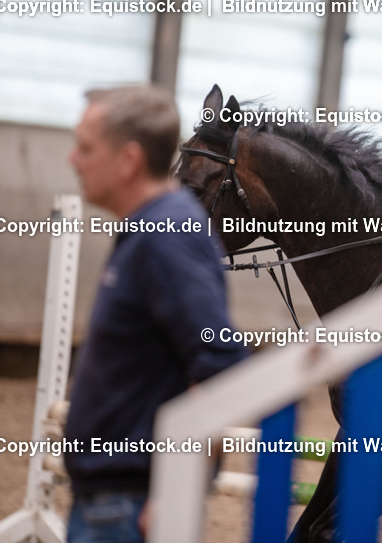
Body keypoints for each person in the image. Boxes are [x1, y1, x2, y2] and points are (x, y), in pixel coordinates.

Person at [64, 86, 246, 543]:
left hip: (128, 506)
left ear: (127, 160)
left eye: (86, 148)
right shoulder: (153, 228)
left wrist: (175, 490)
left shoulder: (167, 235)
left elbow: (220, 364)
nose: (73, 159)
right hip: (110, 499)